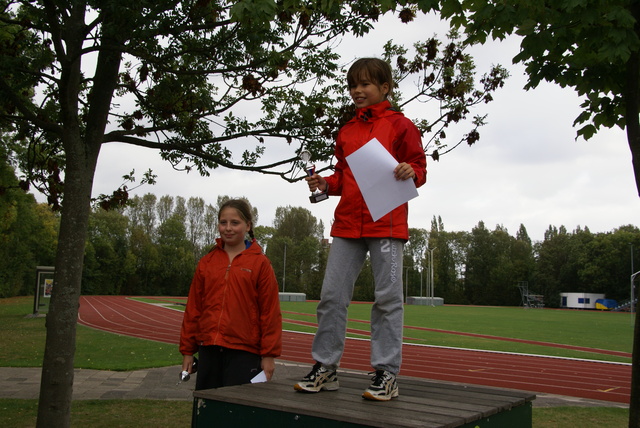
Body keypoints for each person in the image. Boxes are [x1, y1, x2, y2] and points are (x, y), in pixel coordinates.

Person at [294, 57, 427, 401]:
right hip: (348, 224)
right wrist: (325, 182)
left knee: (387, 300)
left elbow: (418, 166)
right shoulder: (347, 130)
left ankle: (386, 374)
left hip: (387, 222)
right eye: (353, 85)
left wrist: (411, 170)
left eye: (365, 84)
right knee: (331, 297)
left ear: (385, 88)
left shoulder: (402, 125)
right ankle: (326, 368)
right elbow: (343, 177)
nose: (357, 90)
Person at [180, 198, 282, 390]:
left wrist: (268, 356)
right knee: (208, 409)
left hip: (244, 351)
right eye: (223, 222)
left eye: (235, 223)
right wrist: (187, 351)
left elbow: (270, 313)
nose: (228, 228)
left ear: (248, 225)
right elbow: (193, 309)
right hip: (209, 348)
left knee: (237, 412)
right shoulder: (207, 262)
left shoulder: (260, 264)